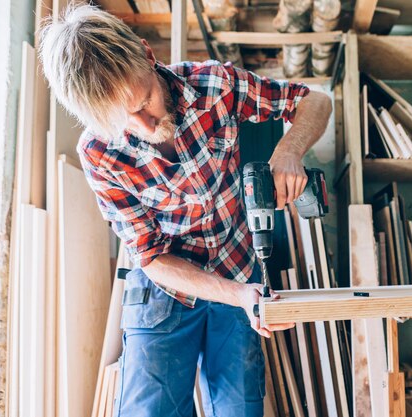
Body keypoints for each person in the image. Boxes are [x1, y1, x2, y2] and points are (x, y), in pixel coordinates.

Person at [39, 4, 332, 417]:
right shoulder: (98, 151)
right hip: (165, 286)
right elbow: (151, 255)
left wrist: (288, 151)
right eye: (122, 120)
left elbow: (314, 101)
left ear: (147, 54)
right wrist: (236, 295)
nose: (143, 124)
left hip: (236, 265)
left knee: (240, 410)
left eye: (144, 101)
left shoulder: (216, 85)